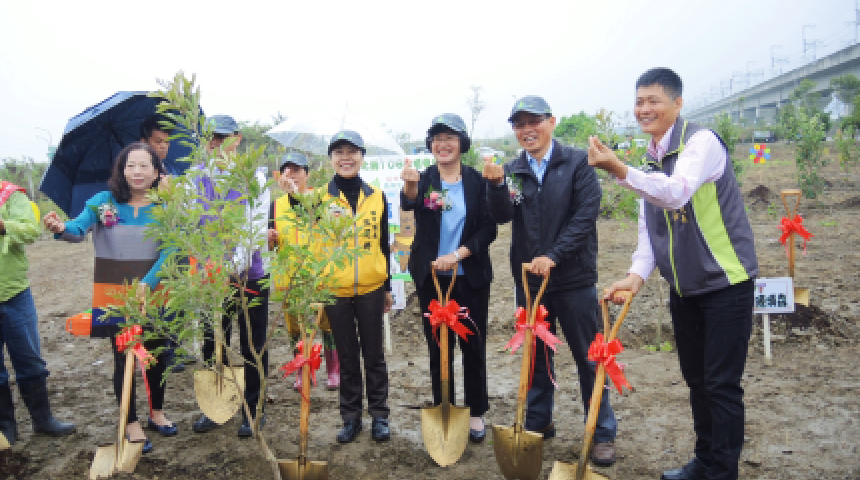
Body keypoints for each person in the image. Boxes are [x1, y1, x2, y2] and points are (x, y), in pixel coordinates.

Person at [590, 68, 758, 480]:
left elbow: (676, 192)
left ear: (678, 103)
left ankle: (722, 473)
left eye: (654, 101)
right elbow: (651, 228)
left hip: (726, 284)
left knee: (721, 385)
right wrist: (636, 275)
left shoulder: (701, 143)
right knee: (697, 380)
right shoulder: (652, 156)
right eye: (639, 102)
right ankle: (705, 462)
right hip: (685, 288)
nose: (644, 109)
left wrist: (620, 170)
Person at [483, 96, 618, 466]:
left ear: (552, 122)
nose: (527, 130)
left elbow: (585, 216)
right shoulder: (513, 170)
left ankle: (602, 431)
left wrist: (554, 255)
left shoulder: (577, 163)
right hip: (530, 283)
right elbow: (501, 216)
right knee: (536, 358)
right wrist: (495, 186)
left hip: (574, 280)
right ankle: (540, 421)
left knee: (589, 357)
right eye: (519, 124)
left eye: (534, 121)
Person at [43, 143, 175, 453]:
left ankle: (157, 412)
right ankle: (130, 421)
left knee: (157, 357)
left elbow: (172, 250)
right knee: (123, 358)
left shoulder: (167, 207)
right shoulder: (103, 202)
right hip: (114, 297)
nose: (137, 172)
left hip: (155, 295)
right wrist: (61, 227)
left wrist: (148, 284)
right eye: (130, 165)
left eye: (144, 166)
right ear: (121, 170)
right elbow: (77, 229)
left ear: (157, 171)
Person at [400, 113, 496, 443]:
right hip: (432, 278)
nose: (443, 144)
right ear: (431, 145)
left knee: (473, 344)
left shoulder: (477, 181)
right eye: (437, 139)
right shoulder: (424, 178)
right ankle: (445, 406)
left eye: (450, 138)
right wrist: (410, 185)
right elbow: (409, 202)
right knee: (438, 345)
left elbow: (489, 228)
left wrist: (457, 255)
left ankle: (475, 411)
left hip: (470, 276)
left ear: (461, 143)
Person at [190, 115, 271, 438]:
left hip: (250, 274)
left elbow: (254, 229)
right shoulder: (195, 179)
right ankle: (216, 405)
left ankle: (254, 407)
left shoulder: (254, 177)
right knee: (214, 340)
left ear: (236, 139)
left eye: (222, 138)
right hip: (211, 276)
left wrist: (231, 268)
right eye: (211, 138)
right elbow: (189, 225)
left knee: (253, 343)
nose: (216, 144)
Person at [321, 130, 393, 444]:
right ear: (331, 159)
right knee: (347, 356)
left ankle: (379, 415)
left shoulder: (377, 196)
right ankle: (350, 418)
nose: (346, 158)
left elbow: (383, 244)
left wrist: (387, 287)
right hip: (335, 289)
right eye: (339, 152)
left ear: (362, 157)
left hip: (370, 288)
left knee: (374, 355)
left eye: (352, 152)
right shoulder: (319, 199)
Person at [0, 181, 76, 446]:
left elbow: (31, 230)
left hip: (14, 293)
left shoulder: (9, 195)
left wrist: (4, 226)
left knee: (29, 359)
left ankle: (43, 420)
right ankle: (5, 427)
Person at [267, 152, 340, 391]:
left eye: (297, 170)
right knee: (295, 327)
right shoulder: (275, 206)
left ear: (307, 174)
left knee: (328, 323)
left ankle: (333, 369)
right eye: (286, 170)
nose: (292, 175)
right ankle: (302, 370)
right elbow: (270, 245)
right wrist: (269, 239)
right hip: (289, 277)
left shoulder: (320, 199)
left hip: (319, 273)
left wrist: (296, 194)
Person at [140, 114, 187, 373]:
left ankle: (176, 346)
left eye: (166, 142)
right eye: (158, 141)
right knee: (156, 294)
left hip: (176, 239)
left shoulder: (172, 170)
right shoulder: (138, 175)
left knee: (177, 295)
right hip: (152, 242)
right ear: (144, 141)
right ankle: (162, 350)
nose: (163, 147)